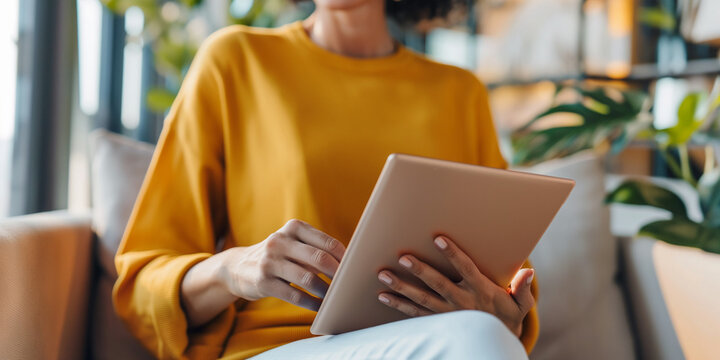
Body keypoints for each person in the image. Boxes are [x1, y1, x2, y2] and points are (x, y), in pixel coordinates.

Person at [113, 0, 539, 359]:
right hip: (283, 347)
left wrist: (500, 311)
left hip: (435, 342)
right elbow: (143, 284)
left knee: (482, 337)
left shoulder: (459, 93)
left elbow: (506, 281)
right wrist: (234, 269)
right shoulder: (236, 60)